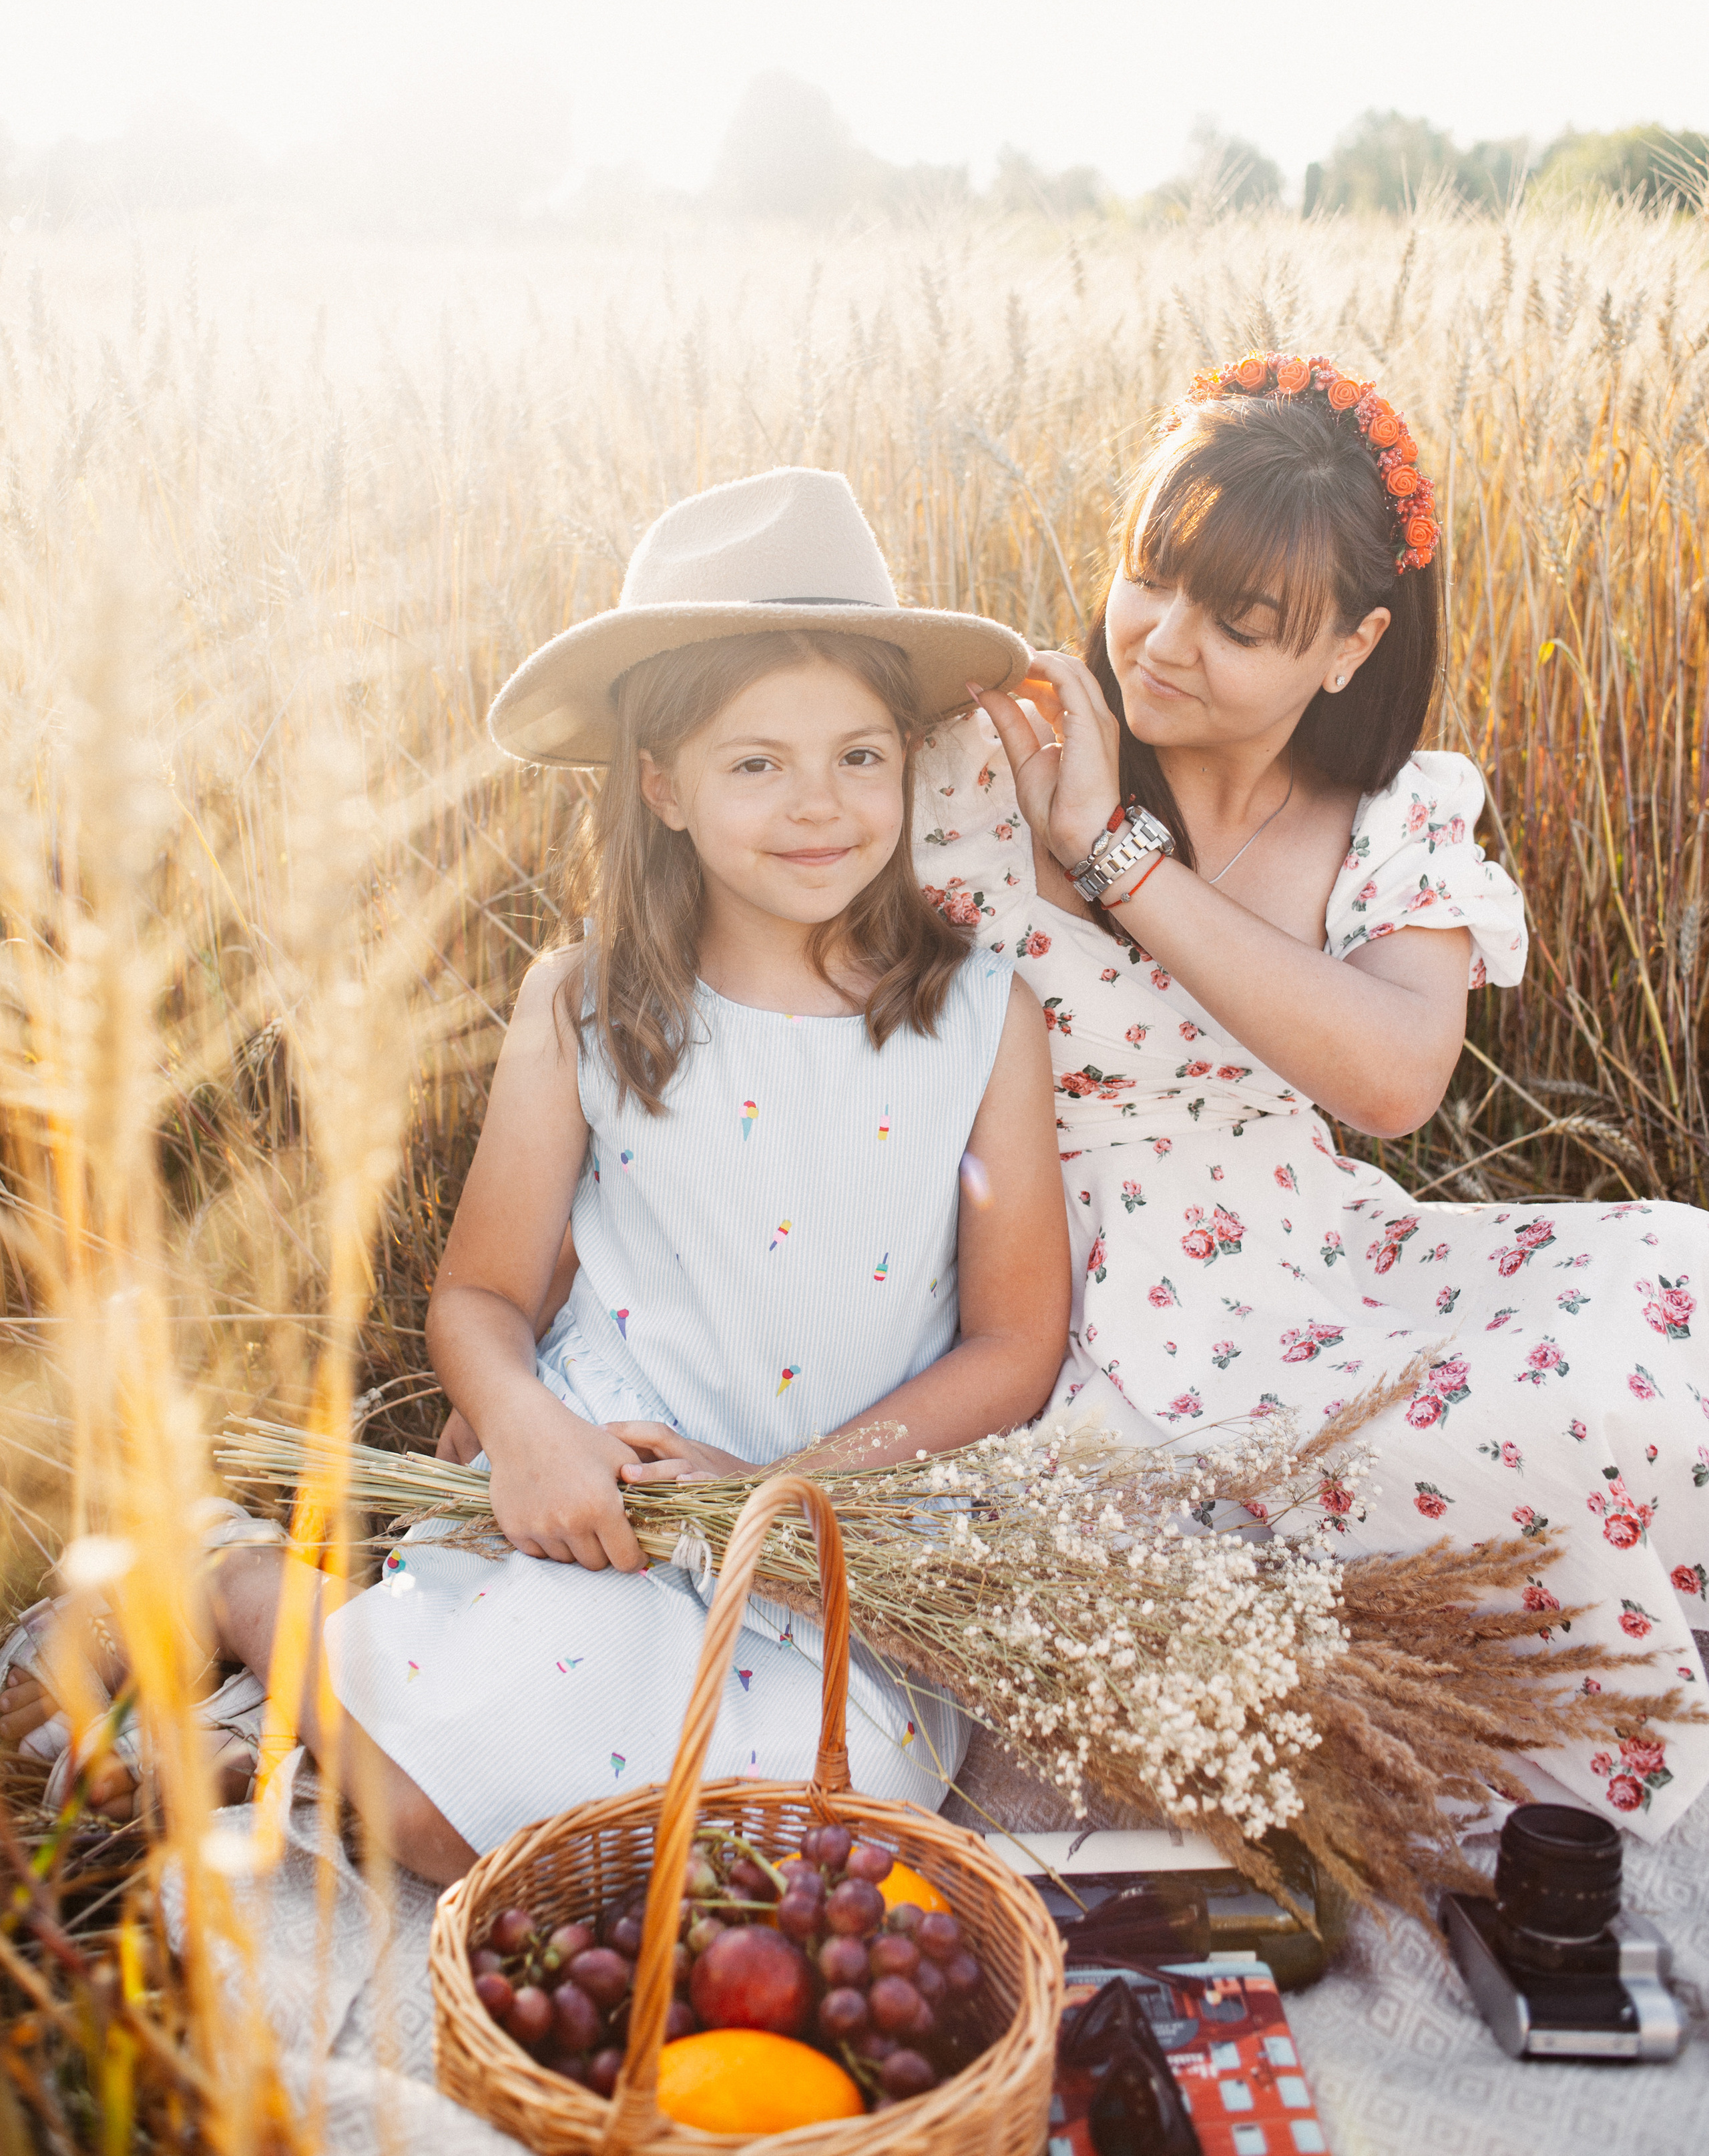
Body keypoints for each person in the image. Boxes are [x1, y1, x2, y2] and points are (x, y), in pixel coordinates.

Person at [1, 469, 1068, 1878]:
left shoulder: (984, 1019)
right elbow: (480, 1294)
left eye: (859, 755)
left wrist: (779, 1492)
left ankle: (288, 1701)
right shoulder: (587, 1004)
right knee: (471, 1826)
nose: (819, 804)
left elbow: (1012, 1339)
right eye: (756, 762)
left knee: (804, 1850)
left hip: (830, 1530)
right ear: (661, 784)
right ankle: (234, 1580)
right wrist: (520, 1423)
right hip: (610, 1510)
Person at [916, 351, 1709, 1836]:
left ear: (1346, 647)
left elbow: (1397, 1078)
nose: (1159, 640)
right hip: (1042, 1291)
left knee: (1666, 1284)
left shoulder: (1396, 815)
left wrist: (1111, 854)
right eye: (1149, 573)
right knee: (1254, 1496)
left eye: (1241, 621)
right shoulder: (992, 757)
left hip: (1309, 1261)